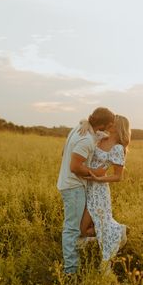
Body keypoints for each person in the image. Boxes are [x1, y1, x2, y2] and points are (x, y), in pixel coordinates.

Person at [57, 107, 115, 274]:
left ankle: (88, 254)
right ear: (104, 124)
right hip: (73, 187)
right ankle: (71, 272)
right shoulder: (86, 140)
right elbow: (75, 166)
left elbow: (64, 152)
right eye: (110, 125)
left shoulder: (79, 128)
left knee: (80, 227)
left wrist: (86, 123)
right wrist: (95, 173)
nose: (111, 129)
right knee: (72, 229)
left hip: (71, 185)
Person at [79, 115, 131, 267]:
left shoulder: (118, 148)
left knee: (85, 229)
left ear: (118, 126)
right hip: (86, 185)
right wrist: (85, 123)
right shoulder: (101, 137)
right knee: (88, 227)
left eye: (113, 122)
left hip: (99, 191)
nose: (109, 123)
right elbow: (90, 123)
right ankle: (117, 230)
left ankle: (117, 232)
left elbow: (118, 176)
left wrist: (98, 179)